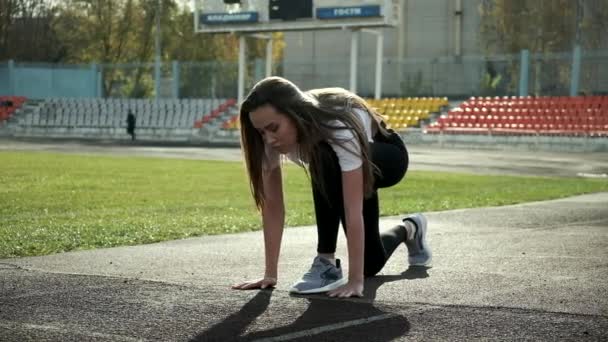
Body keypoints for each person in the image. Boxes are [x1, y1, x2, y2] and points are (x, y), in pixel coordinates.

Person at [232, 76, 432, 298]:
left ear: (296, 114)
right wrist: (270, 274)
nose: (268, 140)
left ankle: (325, 262)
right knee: (370, 264)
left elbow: (352, 209)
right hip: (345, 168)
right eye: (261, 132)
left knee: (323, 157)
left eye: (273, 128)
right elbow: (272, 207)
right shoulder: (270, 143)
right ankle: (411, 229)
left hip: (388, 157)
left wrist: (355, 282)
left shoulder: (338, 128)